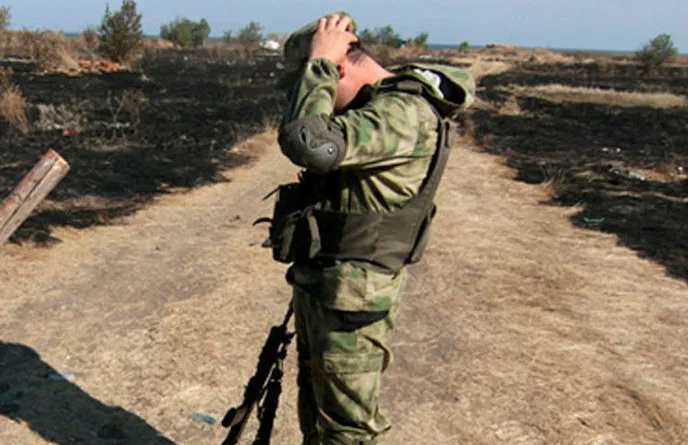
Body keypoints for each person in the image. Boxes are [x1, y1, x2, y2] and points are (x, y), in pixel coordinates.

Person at [269, 12, 475, 445]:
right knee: (320, 413)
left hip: (353, 298)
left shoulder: (402, 112)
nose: (315, 94)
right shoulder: (379, 108)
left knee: (349, 431)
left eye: (323, 80)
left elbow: (309, 142)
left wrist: (319, 63)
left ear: (340, 67)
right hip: (330, 286)